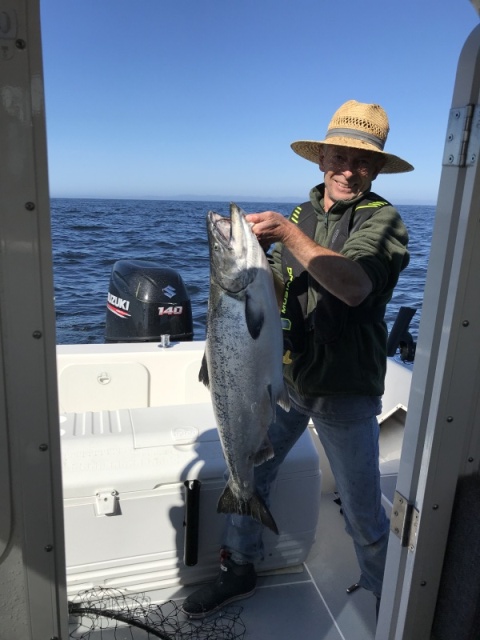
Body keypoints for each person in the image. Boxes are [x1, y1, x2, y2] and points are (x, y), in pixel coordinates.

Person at [182, 99, 413, 619]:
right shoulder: (301, 214)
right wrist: (263, 265)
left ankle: (388, 602)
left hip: (345, 388)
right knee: (250, 474)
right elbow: (282, 293)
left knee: (360, 510)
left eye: (363, 161)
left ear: (376, 169)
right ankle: (238, 569)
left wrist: (287, 238)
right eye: (340, 156)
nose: (348, 170)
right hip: (283, 377)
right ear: (321, 159)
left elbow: (353, 287)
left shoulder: (385, 223)